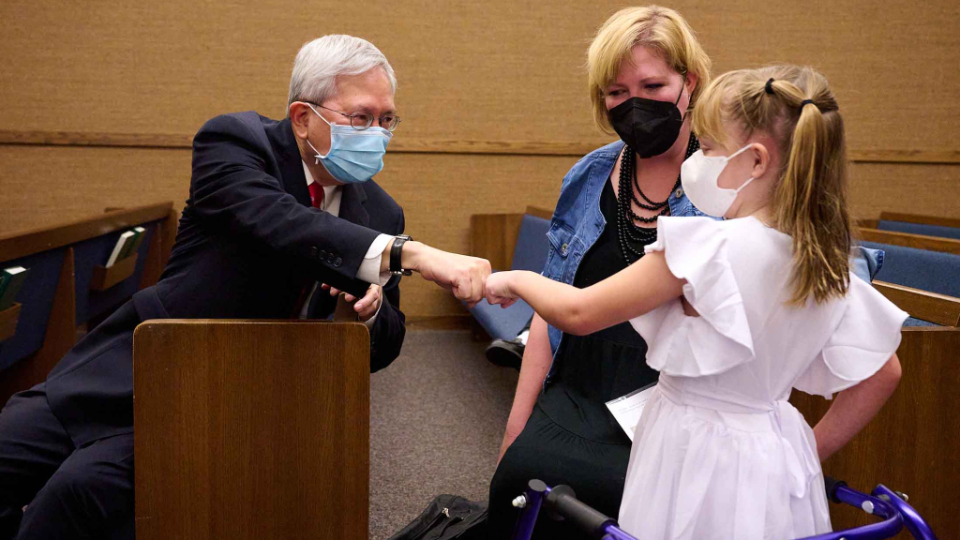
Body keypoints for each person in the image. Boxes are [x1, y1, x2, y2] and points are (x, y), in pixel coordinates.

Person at [0, 35, 490, 540]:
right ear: (303, 117)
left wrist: (369, 314)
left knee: (74, 497)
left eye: (387, 120)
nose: (378, 134)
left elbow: (386, 346)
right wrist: (408, 252)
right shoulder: (236, 143)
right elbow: (278, 222)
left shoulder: (381, 213)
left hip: (223, 399)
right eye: (361, 118)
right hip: (126, 368)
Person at [484, 64, 906, 539]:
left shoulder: (705, 247)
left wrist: (517, 280)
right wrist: (805, 448)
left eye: (707, 149)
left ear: (756, 160)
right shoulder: (825, 259)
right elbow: (883, 373)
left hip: (689, 448)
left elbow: (579, 313)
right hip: (771, 453)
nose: (696, 162)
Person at [485, 7, 714, 538]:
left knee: (617, 508)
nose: (633, 103)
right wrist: (515, 428)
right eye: (615, 92)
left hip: (669, 403)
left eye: (653, 84)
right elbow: (550, 307)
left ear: (690, 83)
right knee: (516, 483)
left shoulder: (725, 188)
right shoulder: (590, 174)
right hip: (578, 385)